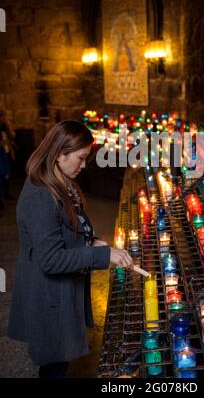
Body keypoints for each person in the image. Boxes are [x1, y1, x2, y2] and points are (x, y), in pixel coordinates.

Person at [7, 120, 133, 378]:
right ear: (59, 154)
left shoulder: (61, 182)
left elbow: (67, 229)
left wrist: (92, 240)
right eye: (81, 158)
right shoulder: (40, 196)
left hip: (61, 292)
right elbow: (51, 259)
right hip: (48, 295)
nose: (84, 165)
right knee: (54, 364)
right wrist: (104, 255)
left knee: (59, 359)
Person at [0, 109, 16, 199]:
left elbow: (12, 136)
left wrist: (8, 125)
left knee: (8, 171)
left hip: (7, 150)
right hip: (1, 151)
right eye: (3, 116)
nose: (4, 118)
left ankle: (7, 192)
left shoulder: (5, 126)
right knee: (3, 172)